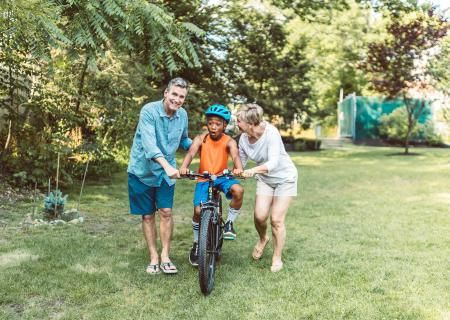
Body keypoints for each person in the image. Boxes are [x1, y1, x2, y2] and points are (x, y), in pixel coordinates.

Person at [127, 77, 192, 275]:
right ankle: (153, 256)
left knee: (166, 212)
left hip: (166, 172)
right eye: (174, 94)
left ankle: (165, 256)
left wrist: (202, 145)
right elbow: (150, 145)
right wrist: (167, 166)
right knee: (147, 215)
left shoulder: (182, 115)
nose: (177, 99)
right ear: (166, 93)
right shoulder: (149, 111)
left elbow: (184, 140)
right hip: (142, 170)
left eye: (181, 96)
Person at [179, 104, 244, 266]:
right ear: (207, 124)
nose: (213, 127)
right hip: (204, 177)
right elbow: (191, 152)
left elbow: (235, 156)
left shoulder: (229, 141)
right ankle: (196, 243)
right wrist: (183, 167)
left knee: (238, 190)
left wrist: (238, 168)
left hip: (222, 177)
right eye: (210, 123)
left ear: (224, 125)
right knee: (198, 210)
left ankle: (229, 222)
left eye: (218, 124)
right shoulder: (201, 138)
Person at [237, 103, 298, 272]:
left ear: (250, 123)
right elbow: (240, 164)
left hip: (285, 178)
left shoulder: (271, 133)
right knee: (259, 216)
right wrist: (235, 172)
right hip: (265, 179)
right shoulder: (243, 139)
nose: (236, 123)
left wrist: (252, 171)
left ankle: (277, 258)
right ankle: (263, 238)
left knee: (276, 220)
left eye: (239, 120)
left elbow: (273, 163)